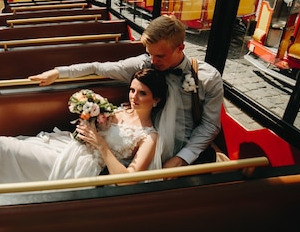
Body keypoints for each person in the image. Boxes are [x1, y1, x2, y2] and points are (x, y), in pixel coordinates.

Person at [0, 69, 168, 200]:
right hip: (68, 147)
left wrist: (100, 144)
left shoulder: (150, 137)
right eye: (132, 90)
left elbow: (130, 181)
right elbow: (94, 127)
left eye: (142, 93)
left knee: (2, 148)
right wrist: (90, 119)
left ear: (156, 100)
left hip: (84, 168)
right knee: (2, 148)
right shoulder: (119, 108)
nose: (133, 97)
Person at [30, 15, 223, 168]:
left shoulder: (207, 77)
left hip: (185, 149)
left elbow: (209, 125)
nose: (153, 61)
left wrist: (182, 158)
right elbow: (98, 67)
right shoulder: (144, 64)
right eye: (150, 53)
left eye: (160, 56)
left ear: (181, 47)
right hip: (143, 148)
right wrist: (58, 72)